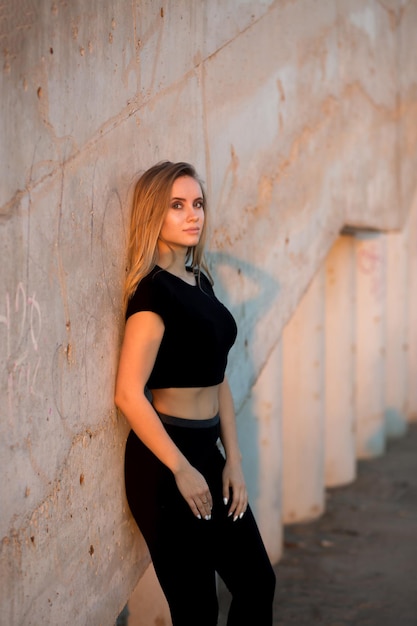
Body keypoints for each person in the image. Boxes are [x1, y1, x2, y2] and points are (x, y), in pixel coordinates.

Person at [115, 161, 276, 625]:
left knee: (256, 582)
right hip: (166, 465)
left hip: (209, 451)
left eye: (198, 204)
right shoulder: (151, 295)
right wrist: (181, 468)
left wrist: (235, 460)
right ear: (153, 216)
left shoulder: (200, 280)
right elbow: (128, 394)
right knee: (197, 610)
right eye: (177, 206)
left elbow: (218, 376)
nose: (193, 215)